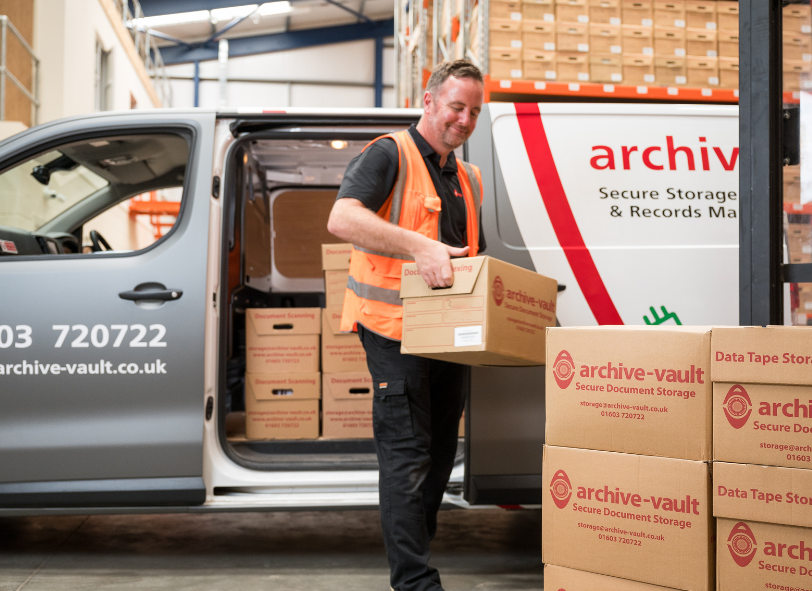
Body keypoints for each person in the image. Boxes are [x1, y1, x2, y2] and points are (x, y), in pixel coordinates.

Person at [326, 60, 486, 591]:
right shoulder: (388, 153)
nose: (464, 120)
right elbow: (343, 219)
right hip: (393, 331)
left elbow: (466, 259)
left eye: (474, 112)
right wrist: (420, 245)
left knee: (440, 456)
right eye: (456, 106)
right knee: (407, 456)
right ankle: (416, 583)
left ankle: (418, 554)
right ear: (429, 101)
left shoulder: (468, 177)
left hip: (447, 334)